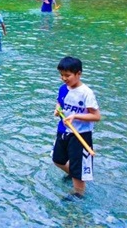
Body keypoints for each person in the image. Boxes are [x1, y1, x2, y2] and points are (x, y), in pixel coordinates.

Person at [52, 56, 101, 199]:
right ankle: (73, 174)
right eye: (61, 75)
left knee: (78, 167)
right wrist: (57, 109)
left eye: (67, 75)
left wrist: (75, 116)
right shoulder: (63, 89)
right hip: (63, 131)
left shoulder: (86, 93)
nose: (64, 78)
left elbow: (96, 116)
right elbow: (60, 103)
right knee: (58, 159)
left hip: (80, 134)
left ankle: (78, 193)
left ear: (78, 73)